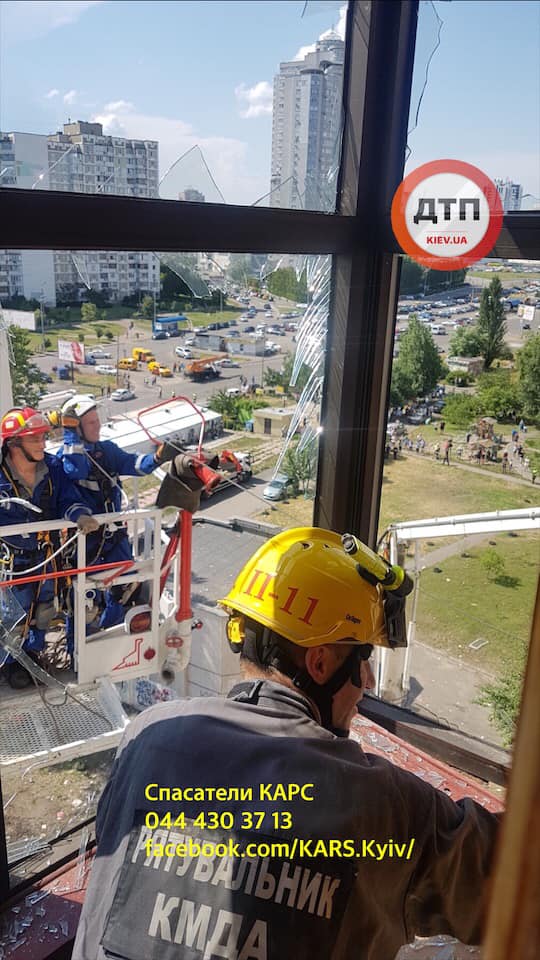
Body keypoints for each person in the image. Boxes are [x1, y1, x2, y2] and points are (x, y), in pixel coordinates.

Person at [73, 528, 499, 960]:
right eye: (362, 662)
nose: (367, 682)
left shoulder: (147, 737)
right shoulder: (385, 804)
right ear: (319, 663)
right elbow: (504, 882)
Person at [58, 395, 178, 642]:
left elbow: (134, 464)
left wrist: (157, 458)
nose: (98, 426)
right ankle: (78, 651)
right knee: (83, 600)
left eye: (97, 420)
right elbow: (74, 470)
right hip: (84, 543)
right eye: (90, 423)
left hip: (113, 538)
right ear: (76, 428)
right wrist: (70, 435)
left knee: (124, 587)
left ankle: (111, 636)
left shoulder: (107, 451)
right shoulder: (67, 455)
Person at [0, 407, 95, 687]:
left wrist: (79, 514)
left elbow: (68, 498)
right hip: (9, 561)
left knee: (43, 610)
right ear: (14, 443)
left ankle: (31, 655)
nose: (43, 443)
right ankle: (10, 664)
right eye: (35, 438)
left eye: (43, 437)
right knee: (11, 615)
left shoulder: (53, 468)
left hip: (46, 556)